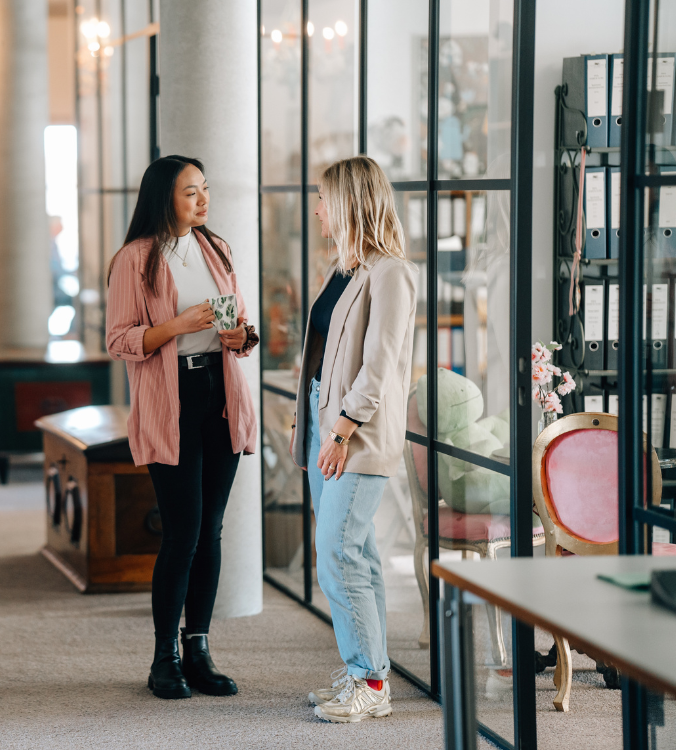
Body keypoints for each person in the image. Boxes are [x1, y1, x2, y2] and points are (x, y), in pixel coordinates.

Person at [106, 155, 258, 700]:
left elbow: (238, 321)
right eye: (190, 192)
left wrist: (242, 337)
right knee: (182, 533)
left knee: (211, 530)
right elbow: (120, 339)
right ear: (162, 198)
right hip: (171, 401)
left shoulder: (216, 249)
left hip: (221, 392)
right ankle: (163, 657)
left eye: (205, 189)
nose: (203, 200)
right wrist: (176, 326)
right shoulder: (134, 259)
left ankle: (198, 649)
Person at [290, 156, 416, 723]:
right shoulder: (344, 269)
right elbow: (321, 356)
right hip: (329, 425)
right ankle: (368, 670)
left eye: (323, 197)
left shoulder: (392, 272)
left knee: (338, 555)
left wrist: (340, 429)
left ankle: (371, 681)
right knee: (355, 554)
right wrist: (311, 418)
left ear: (346, 203)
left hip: (356, 434)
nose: (316, 208)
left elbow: (380, 365)